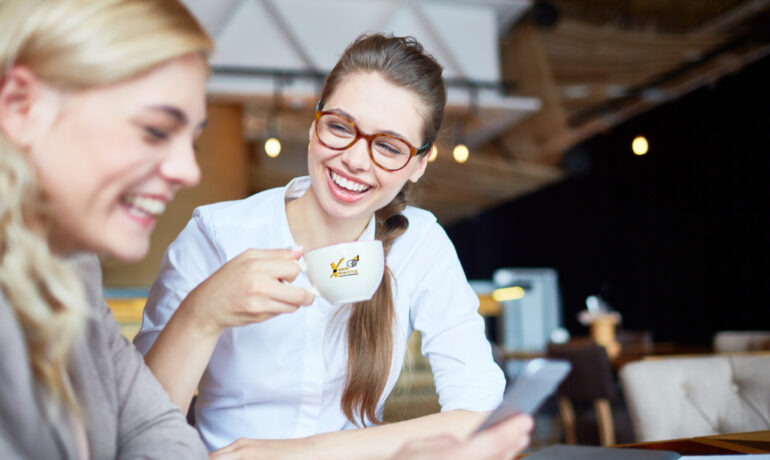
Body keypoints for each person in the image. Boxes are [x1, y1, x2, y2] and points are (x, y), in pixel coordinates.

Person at [135, 33, 533, 458]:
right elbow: (137, 433)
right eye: (341, 127)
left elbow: (482, 414)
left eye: (388, 146)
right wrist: (202, 313)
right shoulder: (218, 234)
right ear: (314, 125)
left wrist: (299, 452)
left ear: (418, 164)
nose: (356, 160)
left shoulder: (419, 243)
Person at [0, 0, 213, 457]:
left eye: (192, 139)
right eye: (156, 130)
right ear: (20, 106)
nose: (188, 171)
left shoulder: (72, 263)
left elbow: (152, 422)